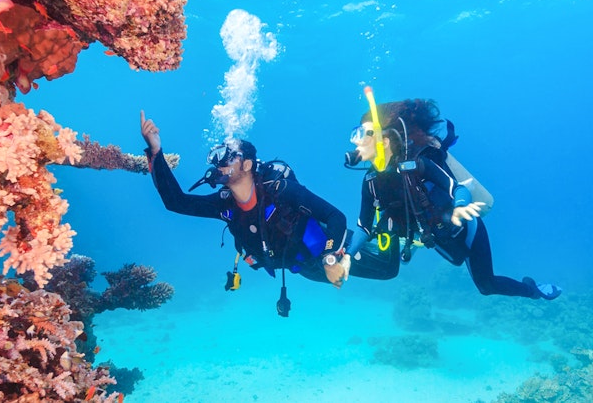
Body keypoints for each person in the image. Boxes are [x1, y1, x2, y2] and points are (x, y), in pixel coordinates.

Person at [139, 111, 399, 315]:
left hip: (330, 247)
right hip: (303, 267)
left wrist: (331, 259)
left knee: (389, 269)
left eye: (228, 158)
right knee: (383, 261)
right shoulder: (225, 204)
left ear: (248, 164)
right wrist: (155, 152)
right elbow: (176, 202)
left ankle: (394, 213)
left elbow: (335, 217)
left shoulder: (280, 190)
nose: (220, 165)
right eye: (218, 160)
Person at [344, 98, 561, 300]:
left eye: (364, 133)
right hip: (437, 236)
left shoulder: (418, 165)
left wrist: (459, 208)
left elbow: (459, 189)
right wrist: (347, 257)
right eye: (356, 133)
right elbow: (363, 227)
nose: (357, 141)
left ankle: (534, 290)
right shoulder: (371, 181)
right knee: (441, 255)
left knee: (486, 286)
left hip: (467, 230)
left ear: (385, 139)